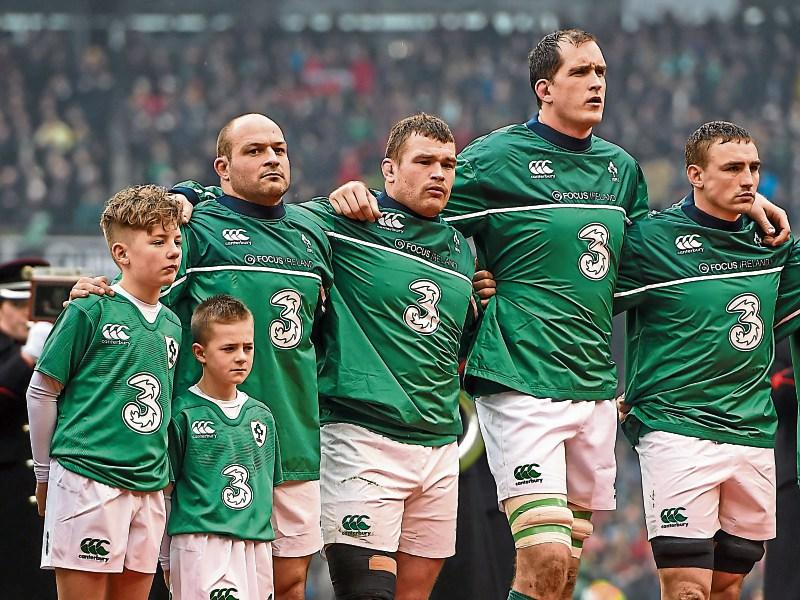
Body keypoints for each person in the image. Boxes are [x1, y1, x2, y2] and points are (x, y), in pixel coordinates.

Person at [328, 29, 790, 600]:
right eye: (580, 73)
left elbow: (655, 246)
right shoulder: (496, 159)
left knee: (563, 574)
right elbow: (423, 204)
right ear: (544, 88)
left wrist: (741, 202)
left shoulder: (621, 170)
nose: (596, 82)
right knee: (543, 554)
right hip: (521, 376)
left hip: (593, 385)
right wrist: (357, 196)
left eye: (600, 72)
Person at [174, 113, 477, 600]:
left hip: (303, 437)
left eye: (448, 163)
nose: (439, 172)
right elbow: (150, 291)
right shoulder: (325, 222)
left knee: (291, 583)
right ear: (390, 170)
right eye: (424, 161)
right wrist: (188, 193)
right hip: (243, 434)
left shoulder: (311, 232)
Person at [71, 113, 333, 600]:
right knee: (205, 586)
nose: (272, 158)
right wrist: (95, 293)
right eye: (254, 151)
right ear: (223, 167)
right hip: (206, 444)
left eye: (279, 148)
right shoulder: (195, 226)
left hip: (292, 436)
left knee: (290, 582)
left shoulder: (313, 231)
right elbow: (142, 302)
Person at [614, 121, 800, 599]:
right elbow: (582, 297)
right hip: (677, 432)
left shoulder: (775, 247)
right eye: (733, 168)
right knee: (686, 590)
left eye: (754, 168)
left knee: (728, 587)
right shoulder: (651, 240)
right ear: (695, 174)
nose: (748, 179)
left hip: (751, 434)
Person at [27, 185, 183, 600]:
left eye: (176, 241)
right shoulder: (90, 307)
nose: (172, 251)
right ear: (120, 253)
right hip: (87, 478)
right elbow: (41, 391)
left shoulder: (172, 323)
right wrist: (43, 475)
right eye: (158, 241)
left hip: (148, 485)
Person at [161, 294, 282, 599]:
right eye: (229, 349)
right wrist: (164, 558)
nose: (241, 357)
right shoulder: (182, 413)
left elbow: (269, 489)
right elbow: (165, 492)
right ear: (200, 353)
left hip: (256, 546)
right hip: (201, 544)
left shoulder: (262, 416)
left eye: (247, 347)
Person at [0, 258, 56, 598]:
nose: (28, 314)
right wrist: (26, 358)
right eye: (18, 304)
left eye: (33, 304)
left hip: (49, 499)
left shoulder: (58, 349)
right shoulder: (16, 356)